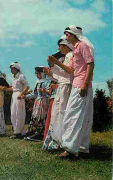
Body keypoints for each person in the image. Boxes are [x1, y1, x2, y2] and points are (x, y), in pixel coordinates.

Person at [48, 25, 94, 158]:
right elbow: (70, 70)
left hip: (82, 85)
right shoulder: (75, 49)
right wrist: (56, 62)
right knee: (77, 116)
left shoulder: (82, 46)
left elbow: (91, 64)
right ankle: (81, 147)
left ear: (74, 35)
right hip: (77, 84)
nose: (66, 37)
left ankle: (70, 149)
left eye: (67, 34)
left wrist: (85, 83)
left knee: (72, 115)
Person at [42, 36, 73, 151]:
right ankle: (56, 140)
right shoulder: (67, 56)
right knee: (57, 113)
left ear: (65, 46)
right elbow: (61, 76)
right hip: (62, 86)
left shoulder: (70, 55)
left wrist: (55, 64)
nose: (59, 48)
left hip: (66, 87)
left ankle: (62, 141)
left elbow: (69, 73)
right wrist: (51, 73)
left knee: (62, 113)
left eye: (60, 46)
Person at [22, 66, 50, 141]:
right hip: (37, 102)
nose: (36, 75)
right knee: (35, 117)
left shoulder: (47, 82)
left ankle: (40, 134)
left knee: (41, 117)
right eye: (35, 73)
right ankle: (33, 132)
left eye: (37, 73)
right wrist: (25, 96)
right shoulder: (37, 82)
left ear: (42, 73)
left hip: (43, 102)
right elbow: (34, 94)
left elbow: (49, 93)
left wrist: (44, 91)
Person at [4, 62, 29, 139]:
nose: (11, 70)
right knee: (13, 113)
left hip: (19, 96)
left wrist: (21, 94)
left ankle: (19, 132)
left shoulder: (21, 76)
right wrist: (5, 89)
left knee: (19, 113)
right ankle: (16, 130)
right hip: (14, 95)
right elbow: (13, 88)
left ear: (16, 69)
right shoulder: (13, 77)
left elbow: (27, 86)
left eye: (12, 68)